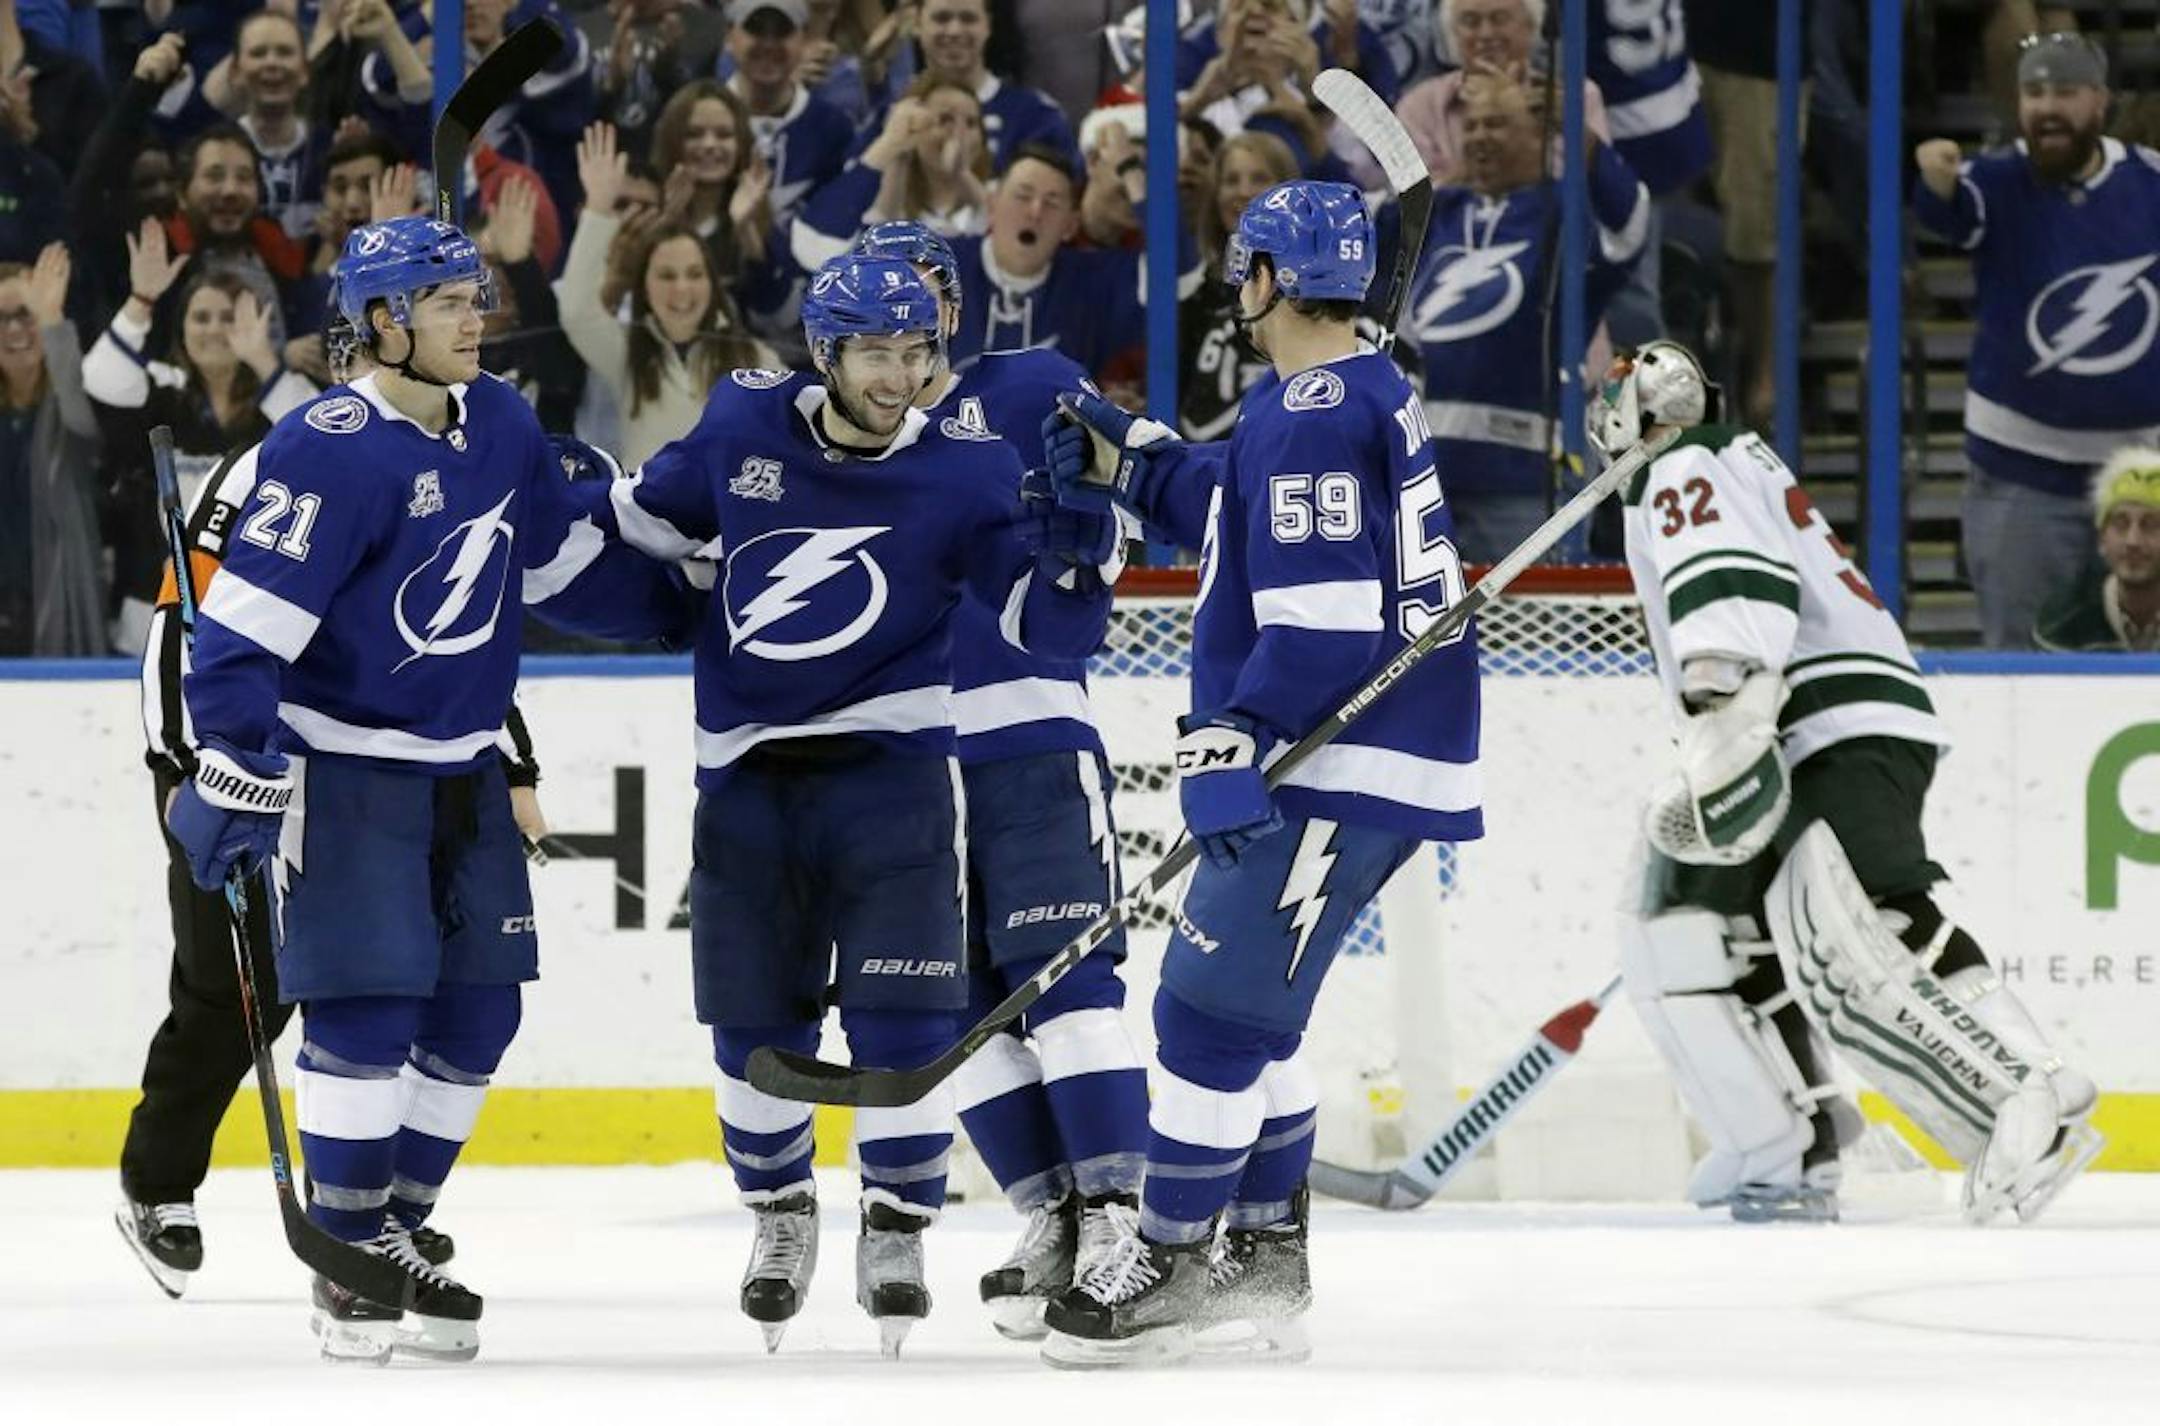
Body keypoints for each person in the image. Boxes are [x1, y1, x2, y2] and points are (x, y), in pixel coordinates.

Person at [162, 215, 688, 1363]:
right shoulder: (326, 448)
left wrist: (687, 612)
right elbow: (240, 632)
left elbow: (554, 561)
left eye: (475, 297)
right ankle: (348, 1261)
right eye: (451, 302)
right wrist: (237, 764)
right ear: (385, 322)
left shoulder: (496, 419)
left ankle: (391, 1227)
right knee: (368, 1007)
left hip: (466, 768)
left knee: (479, 1011)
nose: (477, 320)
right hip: (346, 772)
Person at [576, 253, 1116, 1357]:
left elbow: (1056, 630)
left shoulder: (968, 471)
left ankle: (898, 1221)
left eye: (918, 353)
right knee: (751, 1027)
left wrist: (1078, 540)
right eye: (877, 351)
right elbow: (638, 526)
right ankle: (780, 1216)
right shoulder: (740, 425)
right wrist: (550, 500)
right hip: (747, 777)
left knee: (908, 1023)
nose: (900, 375)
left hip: (895, 772)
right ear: (826, 353)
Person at [1038, 180, 1484, 1366]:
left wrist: (1233, 734)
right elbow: (1241, 504)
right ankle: (1268, 1252)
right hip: (1363, 750)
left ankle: (1176, 1261)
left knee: (1204, 1018)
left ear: (1269, 281)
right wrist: (1140, 460)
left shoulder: (1308, 413)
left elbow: (1329, 615)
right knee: (1259, 1018)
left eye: (1245, 273)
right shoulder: (1342, 395)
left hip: (1333, 753)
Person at [1590, 340, 2102, 1227]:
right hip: (1804, 720)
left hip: (1818, 717)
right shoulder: (1713, 459)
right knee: (1682, 925)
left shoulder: (1687, 462)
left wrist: (1726, 704)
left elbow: (1734, 590)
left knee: (1869, 927)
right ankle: (1785, 1144)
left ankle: (2030, 1094)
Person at [114, 318, 553, 1299]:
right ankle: (157, 1182)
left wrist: (513, 759)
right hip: (228, 764)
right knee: (243, 992)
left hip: (342, 768)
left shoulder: (424, 450)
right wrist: (201, 767)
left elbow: (448, 639)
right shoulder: (278, 462)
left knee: (397, 987)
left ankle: (371, 1218)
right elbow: (191, 627)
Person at [853, 220, 1150, 1342]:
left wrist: (1077, 526)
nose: (905, 324)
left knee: (1068, 986)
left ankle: (1125, 1221)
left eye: (924, 294)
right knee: (961, 1013)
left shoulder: (1035, 386)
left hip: (1029, 739)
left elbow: (1117, 530)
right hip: (904, 761)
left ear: (954, 307)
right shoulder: (826, 435)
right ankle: (1055, 1217)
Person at [1912, 32, 2160, 649]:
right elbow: (1950, 214)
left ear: (2100, 102)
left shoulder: (2151, 185)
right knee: (2022, 669)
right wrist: (1936, 180)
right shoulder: (1996, 181)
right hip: (2020, 480)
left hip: (2142, 483)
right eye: (2033, 92)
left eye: (2066, 92)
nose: (2048, 107)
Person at [1400, 70, 1648, 563]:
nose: (1478, 137)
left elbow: (1630, 228)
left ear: (1539, 134)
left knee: (1530, 634)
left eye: (1496, 125)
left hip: (1521, 479)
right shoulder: (1439, 210)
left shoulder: (1564, 213)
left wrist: (1586, 142)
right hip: (1421, 480)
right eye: (1471, 126)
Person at [85, 224, 322, 650]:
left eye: (229, 317)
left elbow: (319, 438)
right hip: (150, 608)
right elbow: (101, 379)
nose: (214, 329)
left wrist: (266, 363)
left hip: (252, 612)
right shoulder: (162, 388)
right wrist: (141, 302)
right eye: (201, 317)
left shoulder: (276, 401)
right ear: (181, 328)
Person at [564, 122, 778, 470]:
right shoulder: (628, 354)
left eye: (695, 274)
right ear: (645, 287)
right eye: (665, 275)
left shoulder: (754, 358)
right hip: (644, 521)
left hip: (725, 520)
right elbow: (577, 313)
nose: (682, 289)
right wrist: (599, 208)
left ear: (713, 283)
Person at [0, 242, 100, 656]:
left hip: (55, 604)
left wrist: (54, 320)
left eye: (27, 314)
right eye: (0, 318)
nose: (14, 330)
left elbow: (82, 417)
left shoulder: (73, 406)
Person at [1181, 130, 1299, 442]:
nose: (1244, 192)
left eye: (1260, 178)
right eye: (1231, 180)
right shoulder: (1196, 293)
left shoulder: (1314, 292)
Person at [723, 0, 854, 223]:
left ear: (803, 38)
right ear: (729, 36)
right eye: (756, 28)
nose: (768, 44)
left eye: (782, 31)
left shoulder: (832, 128)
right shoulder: (698, 117)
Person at [2035, 447, 2160, 651]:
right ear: (2102, 538)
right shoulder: (2062, 620)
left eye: (2151, 525)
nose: (2133, 541)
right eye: (2120, 523)